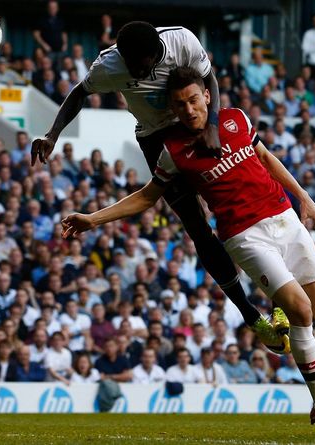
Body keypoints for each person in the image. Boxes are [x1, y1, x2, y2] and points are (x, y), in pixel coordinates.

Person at [61, 66, 315, 435]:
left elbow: (267, 159)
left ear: (206, 95)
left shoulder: (236, 119)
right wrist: (94, 218)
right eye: (179, 105)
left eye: (193, 100)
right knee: (300, 309)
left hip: (285, 219)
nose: (188, 110)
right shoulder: (174, 152)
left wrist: (304, 198)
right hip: (246, 236)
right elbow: (147, 197)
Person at [30, 21, 285, 351]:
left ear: (155, 55)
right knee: (196, 226)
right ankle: (252, 317)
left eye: (141, 65)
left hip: (193, 122)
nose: (135, 71)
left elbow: (209, 80)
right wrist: (53, 134)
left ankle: (280, 300)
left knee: (244, 208)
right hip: (156, 138)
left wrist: (211, 125)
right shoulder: (110, 65)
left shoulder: (181, 42)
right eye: (130, 65)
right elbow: (80, 92)